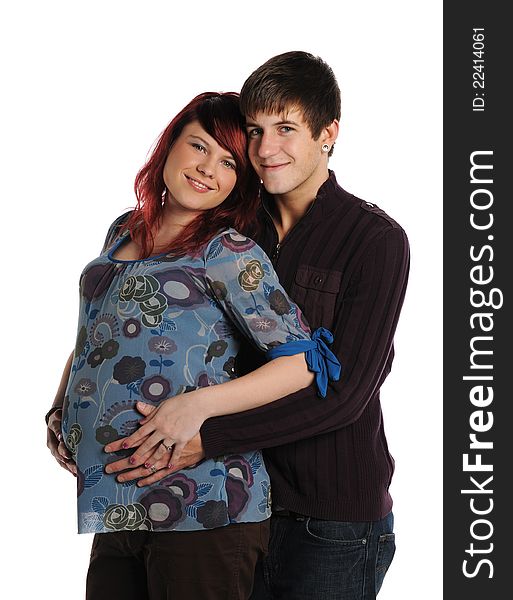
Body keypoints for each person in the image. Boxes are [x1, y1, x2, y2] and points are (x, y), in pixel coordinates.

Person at [113, 51, 411, 599]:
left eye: (286, 129)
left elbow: (344, 393)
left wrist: (208, 436)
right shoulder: (233, 228)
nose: (266, 149)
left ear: (327, 135)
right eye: (255, 131)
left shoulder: (375, 240)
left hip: (330, 518)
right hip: (234, 501)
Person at [45, 91, 341, 600]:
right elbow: (96, 332)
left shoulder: (228, 250)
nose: (208, 169)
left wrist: (193, 407)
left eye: (228, 162)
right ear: (170, 145)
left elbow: (302, 365)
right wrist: (60, 404)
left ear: (239, 182)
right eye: (199, 147)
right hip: (118, 502)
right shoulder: (124, 229)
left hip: (203, 506)